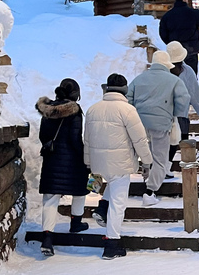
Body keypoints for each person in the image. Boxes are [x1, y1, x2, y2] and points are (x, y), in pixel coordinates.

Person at [83, 73, 153, 259]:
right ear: (124, 89)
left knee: (111, 190)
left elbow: (87, 140)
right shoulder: (127, 110)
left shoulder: (92, 109)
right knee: (119, 203)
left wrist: (88, 162)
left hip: (99, 163)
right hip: (120, 164)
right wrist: (146, 161)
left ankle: (102, 208)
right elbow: (139, 139)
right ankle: (111, 243)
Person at [126, 50, 190, 206]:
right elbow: (184, 100)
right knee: (160, 159)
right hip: (161, 125)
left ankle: (145, 175)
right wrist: (173, 114)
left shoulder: (138, 79)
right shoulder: (174, 80)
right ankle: (150, 192)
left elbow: (128, 99)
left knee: (144, 154)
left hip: (139, 125)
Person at [36, 78, 90, 257]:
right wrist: (84, 156)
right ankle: (76, 223)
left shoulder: (48, 109)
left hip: (52, 158)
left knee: (51, 198)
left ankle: (47, 237)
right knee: (80, 190)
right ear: (75, 93)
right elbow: (75, 138)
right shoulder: (74, 111)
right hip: (71, 159)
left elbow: (43, 136)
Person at [165, 40, 199, 176]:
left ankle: (164, 167)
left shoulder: (160, 70)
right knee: (182, 139)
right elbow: (194, 94)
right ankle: (186, 169)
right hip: (180, 114)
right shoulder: (187, 71)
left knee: (165, 142)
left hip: (162, 113)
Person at [158, 0, 199, 75]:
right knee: (191, 76)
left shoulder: (167, 16)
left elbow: (163, 33)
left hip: (175, 51)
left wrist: (171, 43)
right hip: (191, 49)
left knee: (176, 76)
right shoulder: (193, 13)